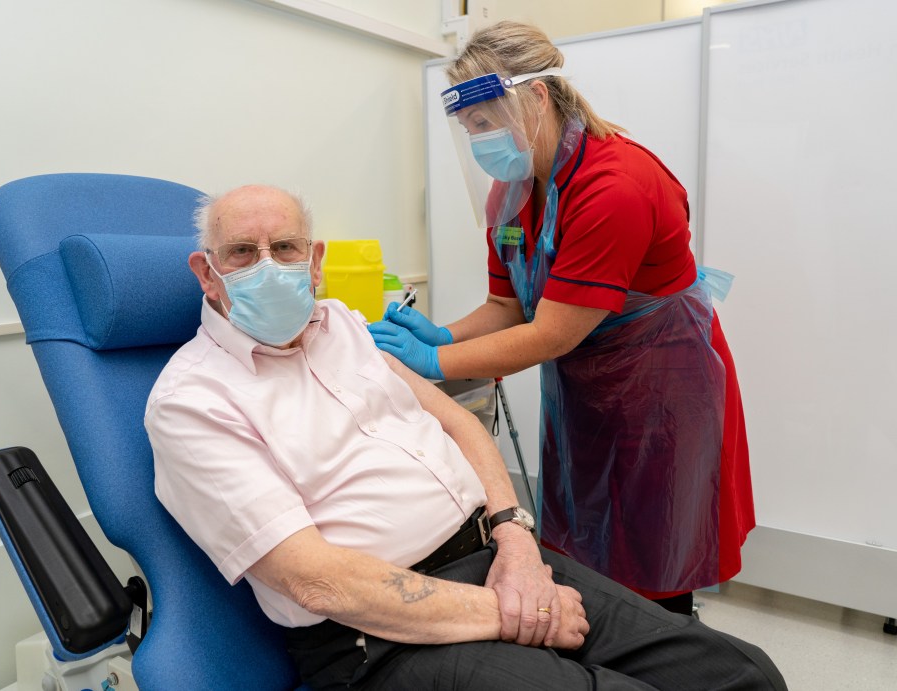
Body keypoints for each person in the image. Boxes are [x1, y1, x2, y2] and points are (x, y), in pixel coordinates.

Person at [145, 184, 785, 690]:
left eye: (285, 248)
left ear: (315, 263)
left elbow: (454, 420)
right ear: (207, 273)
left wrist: (515, 536)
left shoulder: (337, 323)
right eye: (242, 253)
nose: (267, 266)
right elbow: (317, 582)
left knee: (741, 674)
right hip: (378, 635)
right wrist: (514, 613)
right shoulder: (193, 402)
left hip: (496, 557)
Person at [368, 21, 754, 615]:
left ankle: (668, 647)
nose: (477, 139)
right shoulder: (513, 191)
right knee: (584, 534)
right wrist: (445, 333)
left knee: (655, 547)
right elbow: (508, 307)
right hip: (584, 384)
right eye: (468, 127)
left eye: (484, 120)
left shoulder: (614, 185)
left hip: (658, 385)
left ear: (536, 98)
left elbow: (551, 333)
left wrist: (433, 361)